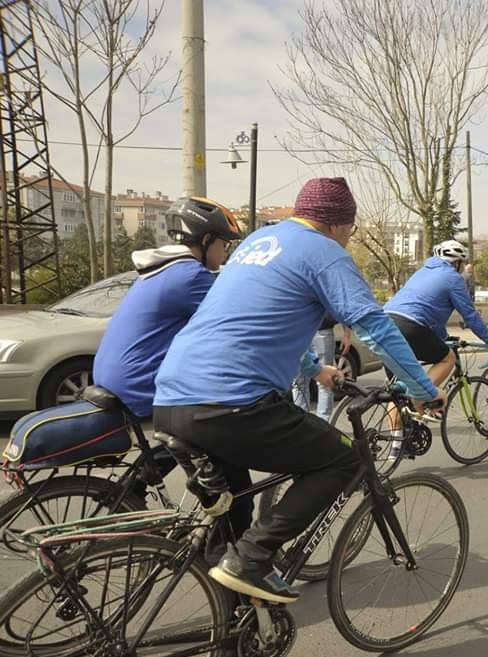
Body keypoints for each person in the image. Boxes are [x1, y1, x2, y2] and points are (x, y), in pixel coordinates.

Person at [154, 177, 445, 605]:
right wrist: (422, 388)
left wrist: (315, 369)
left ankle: (233, 634)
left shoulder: (260, 240)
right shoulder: (324, 252)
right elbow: (374, 326)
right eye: (351, 230)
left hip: (172, 401)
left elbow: (260, 322)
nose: (348, 239)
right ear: (339, 224)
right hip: (231, 404)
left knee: (232, 514)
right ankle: (252, 558)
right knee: (342, 460)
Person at [94, 196, 241, 488]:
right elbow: (239, 317)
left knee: (194, 432)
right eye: (224, 244)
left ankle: (133, 487)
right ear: (206, 239)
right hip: (137, 379)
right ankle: (224, 515)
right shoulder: (189, 277)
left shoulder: (164, 269)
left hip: (116, 373)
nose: (226, 252)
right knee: (220, 429)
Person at [385, 239, 488, 390]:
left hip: (385, 322)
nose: (463, 267)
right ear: (456, 263)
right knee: (448, 358)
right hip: (410, 326)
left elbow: (430, 313)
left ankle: (406, 404)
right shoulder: (453, 278)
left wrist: (443, 337)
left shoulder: (422, 271)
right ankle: (420, 397)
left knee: (399, 393)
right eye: (462, 263)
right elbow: (470, 315)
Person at [291, 314, 340, 422]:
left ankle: (321, 423)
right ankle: (304, 423)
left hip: (317, 329)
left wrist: (347, 331)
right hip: (303, 329)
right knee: (300, 382)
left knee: (323, 382)